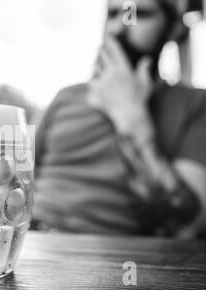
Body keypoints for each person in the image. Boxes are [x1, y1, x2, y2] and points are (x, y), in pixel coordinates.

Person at [32, 0, 206, 238]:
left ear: (174, 28)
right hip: (31, 240)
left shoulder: (195, 104)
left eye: (139, 14)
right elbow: (18, 177)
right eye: (113, 14)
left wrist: (131, 116)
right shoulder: (67, 96)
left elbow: (188, 226)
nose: (118, 28)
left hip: (112, 258)